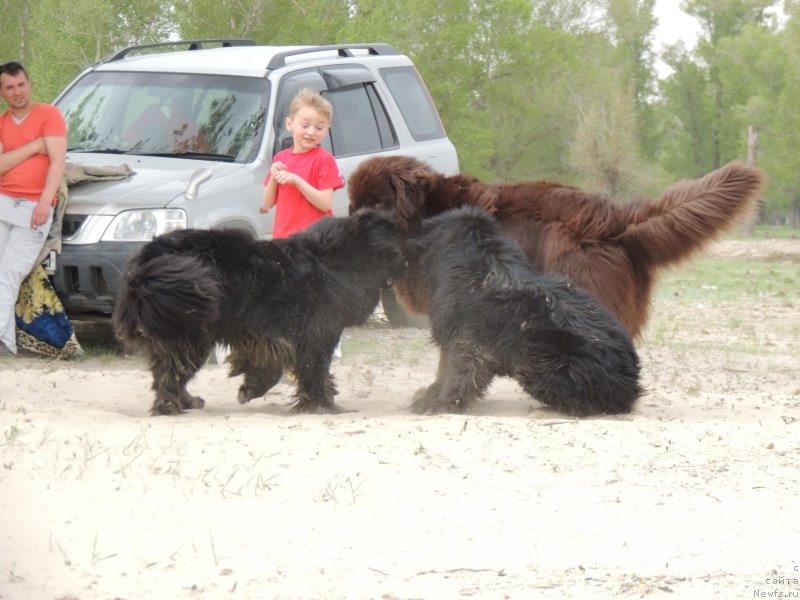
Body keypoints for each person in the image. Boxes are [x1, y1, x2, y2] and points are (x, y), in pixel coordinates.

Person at [0, 61, 67, 356]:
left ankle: (3, 342)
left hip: (33, 207)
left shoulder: (49, 115)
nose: (17, 92)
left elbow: (57, 161)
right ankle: (6, 343)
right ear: (2, 92)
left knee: (10, 272)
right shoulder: (2, 123)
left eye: (21, 84)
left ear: (30, 83)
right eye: (10, 87)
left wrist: (44, 202)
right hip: (2, 203)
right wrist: (32, 147)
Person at [260, 88, 344, 238]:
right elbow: (268, 203)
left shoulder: (324, 160)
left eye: (319, 127)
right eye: (305, 126)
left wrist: (297, 180)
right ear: (289, 124)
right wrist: (274, 177)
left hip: (315, 241)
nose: (311, 132)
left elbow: (325, 204)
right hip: (284, 239)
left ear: (326, 131)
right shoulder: (280, 158)